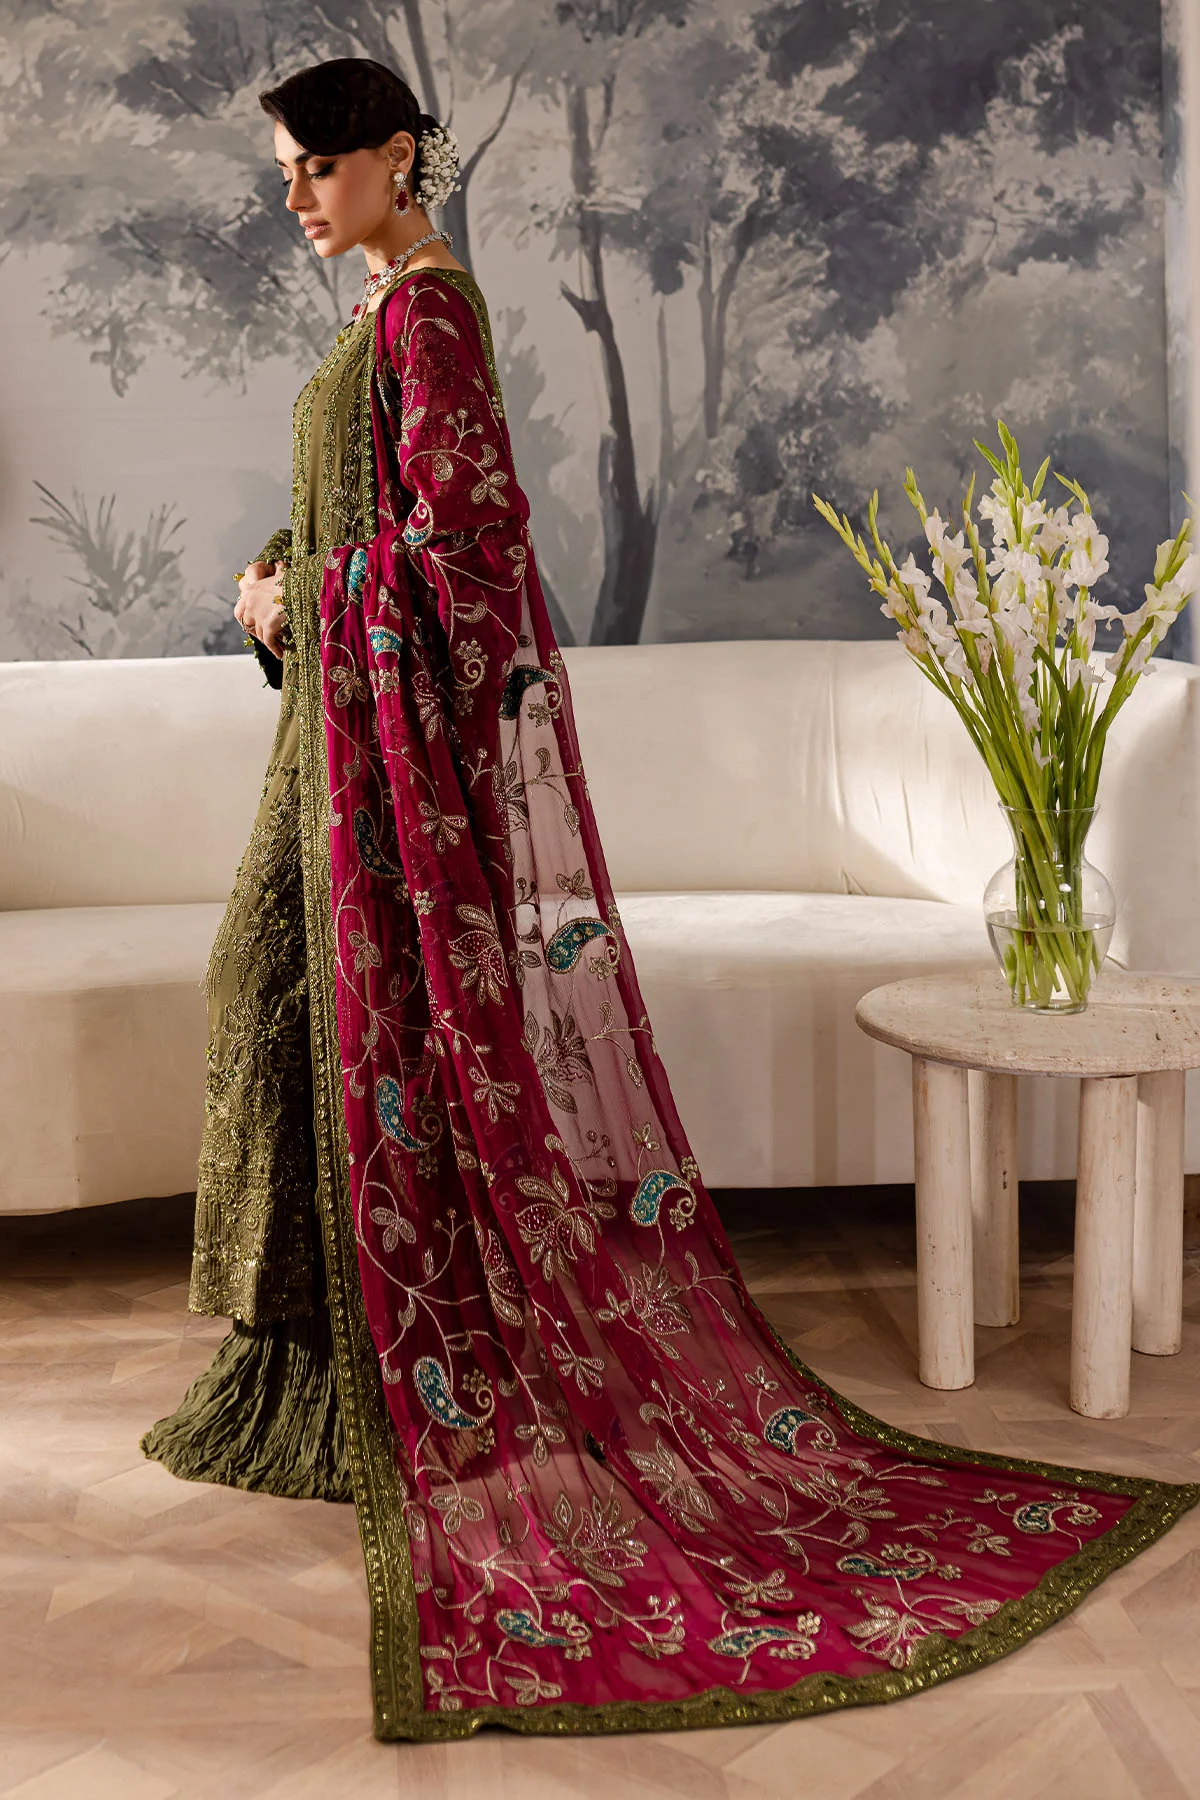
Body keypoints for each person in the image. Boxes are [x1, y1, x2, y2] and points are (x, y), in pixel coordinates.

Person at [144, 57, 1196, 1741]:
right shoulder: (383, 318)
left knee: (296, 1005)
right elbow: (384, 517)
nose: (294, 197)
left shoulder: (432, 315)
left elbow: (470, 553)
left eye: (315, 167)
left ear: (397, 157)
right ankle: (319, 1377)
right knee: (267, 997)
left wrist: (313, 597)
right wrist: (291, 576)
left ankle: (387, 1382)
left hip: (389, 778)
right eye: (284, 170)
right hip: (338, 760)